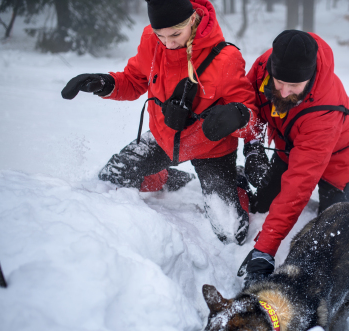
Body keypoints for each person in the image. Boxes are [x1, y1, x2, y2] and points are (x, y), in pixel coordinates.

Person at [61, 0, 259, 245]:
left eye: (176, 34)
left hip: (213, 150)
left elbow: (252, 118)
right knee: (110, 178)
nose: (168, 43)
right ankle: (170, 178)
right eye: (160, 35)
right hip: (163, 138)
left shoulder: (226, 58)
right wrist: (104, 83)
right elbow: (134, 80)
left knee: (230, 235)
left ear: (194, 19)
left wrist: (236, 116)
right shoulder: (150, 42)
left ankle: (235, 182)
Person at [238, 30, 349, 284]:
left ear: (310, 77)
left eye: (293, 86)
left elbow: (297, 187)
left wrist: (264, 251)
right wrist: (252, 145)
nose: (283, 93)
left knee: (336, 226)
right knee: (263, 204)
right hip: (289, 145)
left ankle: (345, 191)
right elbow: (246, 103)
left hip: (337, 155)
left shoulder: (325, 110)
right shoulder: (267, 64)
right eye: (279, 83)